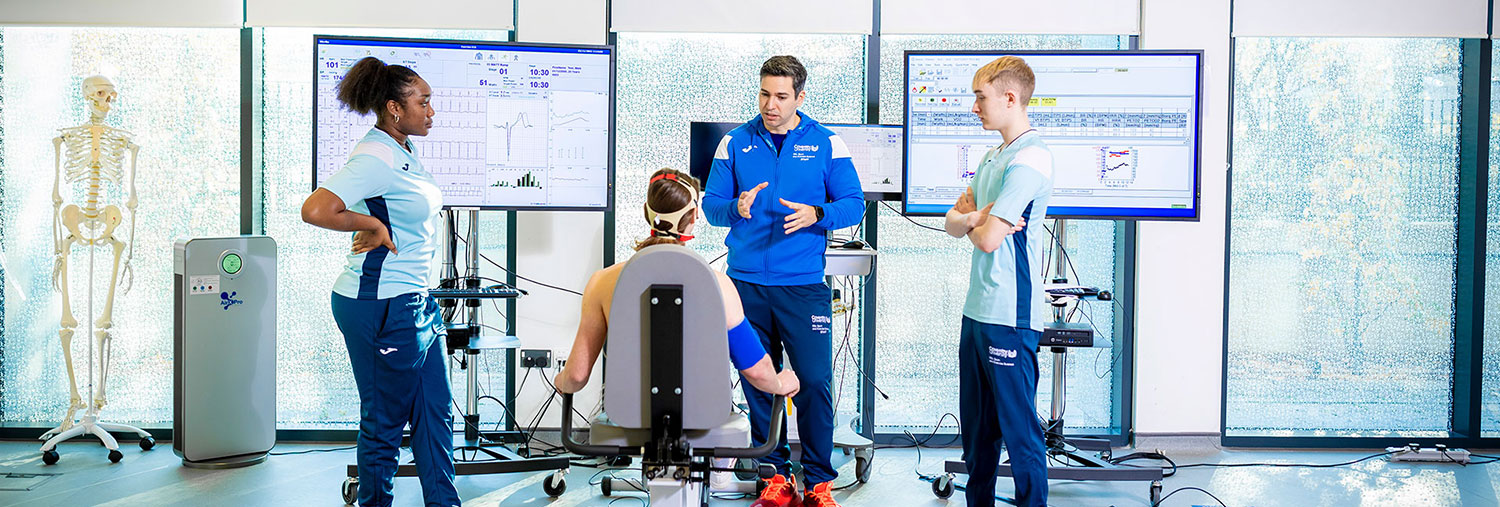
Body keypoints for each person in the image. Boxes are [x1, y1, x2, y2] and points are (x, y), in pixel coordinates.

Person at [701, 55, 864, 507]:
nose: (770, 105)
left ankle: (819, 482)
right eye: (764, 94)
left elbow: (854, 204)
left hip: (803, 285)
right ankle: (775, 477)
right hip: (745, 286)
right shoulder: (735, 142)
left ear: (800, 97)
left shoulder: (827, 143)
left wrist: (818, 214)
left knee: (813, 381)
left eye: (781, 96)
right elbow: (711, 207)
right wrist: (736, 208)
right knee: (759, 380)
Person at [301, 56, 455, 507]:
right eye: (423, 102)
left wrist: (377, 221)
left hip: (415, 300)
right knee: (384, 422)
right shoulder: (375, 156)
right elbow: (316, 209)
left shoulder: (402, 149)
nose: (431, 111)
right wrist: (371, 224)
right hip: (380, 303)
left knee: (435, 415)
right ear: (394, 108)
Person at [551, 167, 802, 401]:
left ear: (646, 213)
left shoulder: (602, 282)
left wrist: (561, 380)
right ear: (694, 216)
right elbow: (757, 371)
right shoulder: (719, 286)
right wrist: (779, 383)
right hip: (705, 417)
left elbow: (577, 376)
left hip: (626, 417)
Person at [943, 56, 1052, 507]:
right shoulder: (993, 157)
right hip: (977, 312)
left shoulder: (1031, 159)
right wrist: (976, 218)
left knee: (1020, 433)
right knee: (978, 435)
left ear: (1010, 98)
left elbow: (987, 240)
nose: (974, 107)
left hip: (1011, 316)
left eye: (980, 97)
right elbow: (952, 221)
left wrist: (975, 222)